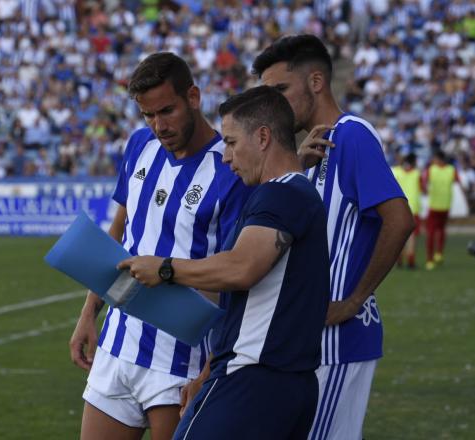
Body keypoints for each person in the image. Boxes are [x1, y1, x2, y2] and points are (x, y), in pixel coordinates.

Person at [119, 85, 330, 439]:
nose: (226, 157)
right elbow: (247, 299)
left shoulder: (281, 193)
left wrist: (166, 269)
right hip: (286, 384)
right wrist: (204, 374)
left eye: (231, 143)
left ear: (263, 137)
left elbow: (241, 268)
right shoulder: (293, 193)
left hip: (251, 380)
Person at [68, 52, 250, 440]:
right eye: (148, 116)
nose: (158, 126)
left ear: (194, 97)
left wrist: (209, 370)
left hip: (181, 360)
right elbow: (120, 231)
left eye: (166, 111)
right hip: (116, 346)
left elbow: (239, 274)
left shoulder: (230, 168)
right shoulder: (139, 146)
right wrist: (89, 312)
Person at [252, 35, 414, 440]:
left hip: (339, 338)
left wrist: (354, 301)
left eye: (280, 90)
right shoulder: (310, 150)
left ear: (316, 82)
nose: (273, 104)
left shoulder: (352, 135)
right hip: (307, 337)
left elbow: (399, 219)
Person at [423, 150, 461, 270]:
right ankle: (439, 253)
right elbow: (459, 183)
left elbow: (424, 185)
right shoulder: (451, 170)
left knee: (430, 233)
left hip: (434, 206)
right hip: (446, 206)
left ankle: (429, 260)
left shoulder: (431, 169)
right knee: (442, 230)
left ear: (438, 159)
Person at [392, 153, 423, 269]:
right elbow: (422, 189)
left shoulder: (395, 171)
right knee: (412, 236)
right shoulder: (416, 173)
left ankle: (399, 258)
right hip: (413, 207)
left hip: (398, 207)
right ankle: (410, 259)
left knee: (398, 234)